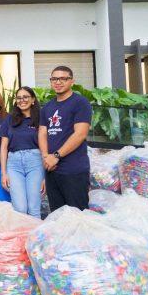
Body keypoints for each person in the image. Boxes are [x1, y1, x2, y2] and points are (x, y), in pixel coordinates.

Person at [39, 66, 92, 211]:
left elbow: (80, 134)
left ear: (72, 81)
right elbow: (42, 133)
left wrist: (56, 155)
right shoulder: (47, 107)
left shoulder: (80, 103)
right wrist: (46, 157)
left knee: (77, 215)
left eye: (63, 78)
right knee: (58, 216)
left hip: (73, 170)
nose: (58, 82)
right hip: (52, 170)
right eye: (54, 79)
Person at [0, 86, 45, 218]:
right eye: (19, 98)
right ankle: (22, 238)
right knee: (19, 208)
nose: (22, 100)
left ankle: (36, 239)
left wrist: (45, 176)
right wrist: (4, 173)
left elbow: (46, 147)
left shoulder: (41, 119)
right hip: (14, 164)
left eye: (25, 97)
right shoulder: (9, 119)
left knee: (34, 208)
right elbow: (3, 147)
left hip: (36, 162)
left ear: (33, 100)